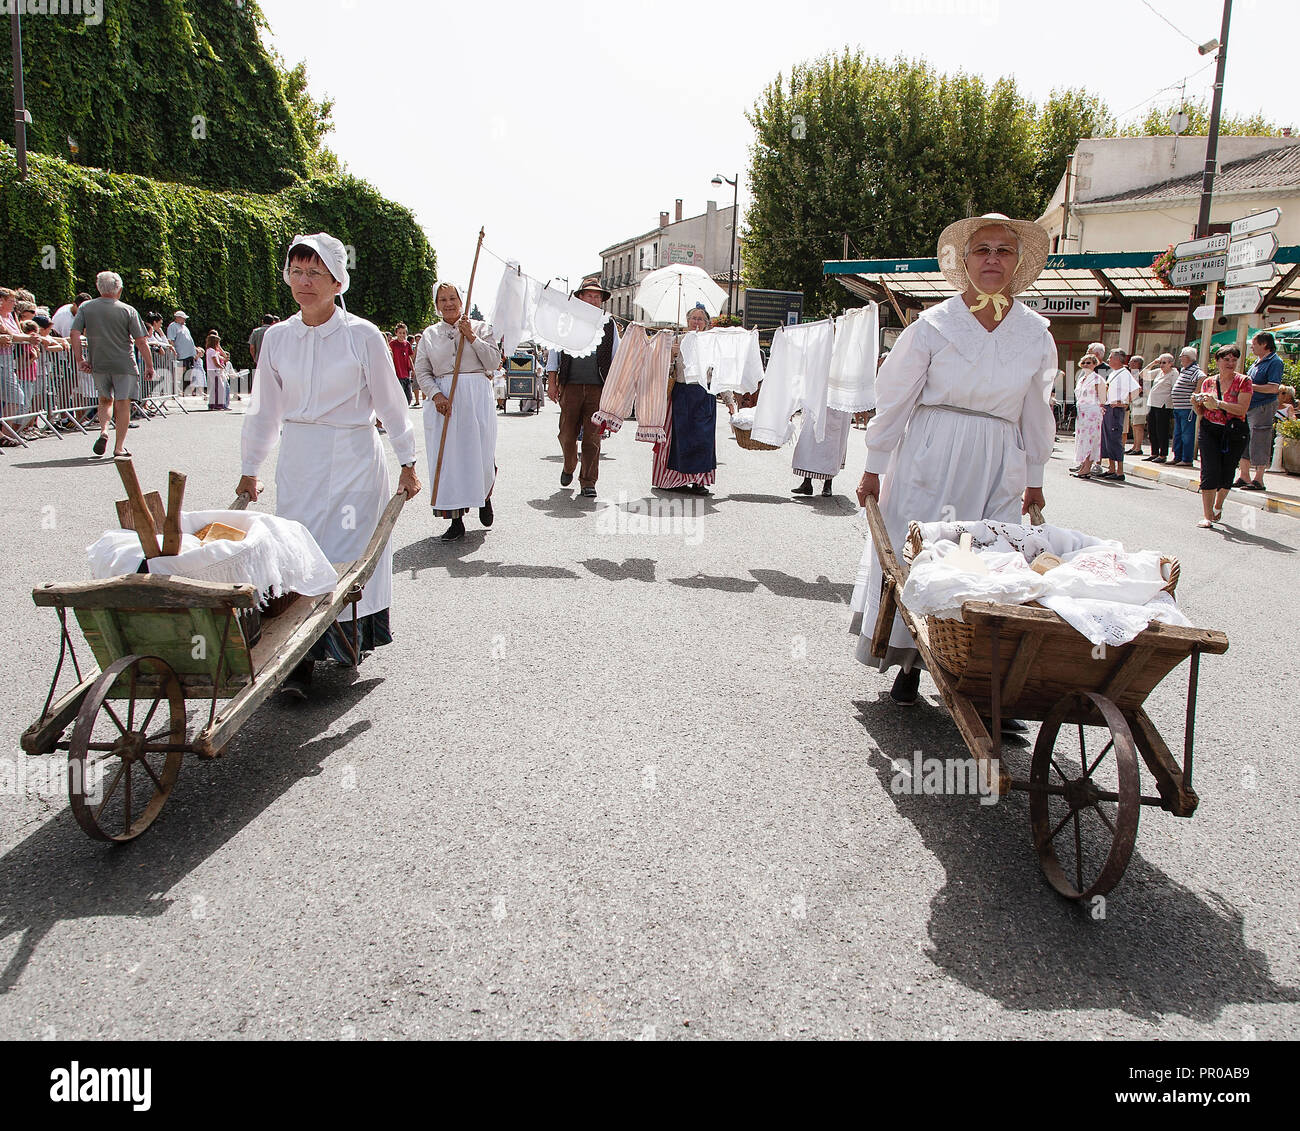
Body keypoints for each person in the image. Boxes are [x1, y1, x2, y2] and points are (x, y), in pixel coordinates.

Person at [851, 212, 1055, 705]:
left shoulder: (1035, 333)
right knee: (919, 551)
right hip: (932, 451)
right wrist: (874, 464)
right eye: (982, 250)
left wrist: (1035, 476)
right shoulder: (933, 325)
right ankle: (910, 662)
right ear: (964, 262)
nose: (992, 259)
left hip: (998, 456)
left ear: (1018, 261)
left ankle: (975, 674)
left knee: (986, 560)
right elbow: (896, 397)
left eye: (1003, 250)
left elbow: (1036, 410)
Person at [236, 232, 420, 699]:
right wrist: (250, 467)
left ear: (338, 281)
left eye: (315, 272)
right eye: (297, 271)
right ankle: (296, 657)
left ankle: (333, 647)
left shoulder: (362, 336)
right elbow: (264, 411)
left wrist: (408, 461)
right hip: (300, 459)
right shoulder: (278, 338)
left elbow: (391, 403)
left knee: (345, 553)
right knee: (297, 550)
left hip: (355, 458)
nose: (304, 281)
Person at [414, 281, 502, 541]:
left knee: (480, 453)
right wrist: (436, 394)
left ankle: (483, 497)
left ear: (461, 300)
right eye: (443, 300)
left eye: (453, 298)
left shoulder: (481, 328)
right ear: (436, 305)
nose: (449, 303)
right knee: (450, 460)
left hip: (476, 398)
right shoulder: (429, 335)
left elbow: (494, 362)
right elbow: (422, 371)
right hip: (446, 402)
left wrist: (472, 337)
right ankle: (456, 520)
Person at [545, 278, 620, 497]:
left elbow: (617, 356)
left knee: (593, 437)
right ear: (580, 297)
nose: (595, 300)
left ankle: (588, 481)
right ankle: (569, 464)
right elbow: (554, 353)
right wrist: (552, 383)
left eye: (598, 296)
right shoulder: (566, 320)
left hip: (599, 388)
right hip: (571, 385)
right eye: (590, 295)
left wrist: (615, 388)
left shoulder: (609, 323)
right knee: (566, 434)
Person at [69, 271, 154, 459]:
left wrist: (80, 359)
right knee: (123, 403)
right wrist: (149, 365)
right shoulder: (128, 310)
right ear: (119, 289)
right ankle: (119, 447)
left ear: (99, 287)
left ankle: (104, 430)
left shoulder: (85, 308)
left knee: (105, 399)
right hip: (124, 362)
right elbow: (141, 340)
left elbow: (74, 333)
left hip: (99, 361)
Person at [656, 303, 722, 495]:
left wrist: (729, 402)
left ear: (707, 323)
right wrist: (671, 356)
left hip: (704, 394)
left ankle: (700, 482)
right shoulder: (676, 341)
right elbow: (666, 372)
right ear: (687, 321)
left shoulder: (712, 343)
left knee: (703, 439)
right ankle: (678, 480)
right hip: (682, 393)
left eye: (700, 319)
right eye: (693, 318)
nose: (696, 322)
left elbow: (719, 373)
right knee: (680, 438)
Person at [1192, 344, 1252, 528]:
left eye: (1234, 360)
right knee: (1209, 470)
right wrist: (1195, 402)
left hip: (1234, 430)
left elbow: (1242, 408)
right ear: (1217, 361)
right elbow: (1201, 411)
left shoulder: (1244, 381)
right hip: (1210, 429)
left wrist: (1218, 403)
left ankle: (1218, 505)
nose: (1231, 363)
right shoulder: (1208, 382)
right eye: (1226, 359)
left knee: (1227, 471)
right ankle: (1207, 515)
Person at [1236, 331, 1284, 491]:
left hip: (1263, 406)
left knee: (1259, 440)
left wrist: (1249, 385)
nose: (1251, 347)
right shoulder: (1257, 361)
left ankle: (1258, 479)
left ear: (1264, 344)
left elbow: (1273, 388)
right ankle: (1244, 475)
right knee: (1245, 439)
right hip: (1248, 405)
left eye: (1254, 344)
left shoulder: (1275, 362)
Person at [1097, 347, 1135, 481]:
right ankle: (1111, 468)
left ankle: (1120, 471)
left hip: (1115, 410)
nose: (1108, 359)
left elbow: (1136, 389)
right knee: (1106, 438)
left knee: (1114, 438)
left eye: (1111, 357)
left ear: (1118, 359)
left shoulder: (1125, 373)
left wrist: (1124, 403)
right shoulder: (1114, 373)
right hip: (1108, 407)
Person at [1070, 353, 1105, 479]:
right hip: (1082, 412)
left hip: (1092, 412)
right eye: (1084, 362)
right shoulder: (1081, 379)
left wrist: (1101, 407)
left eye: (1089, 363)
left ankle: (1086, 468)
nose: (1085, 365)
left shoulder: (1097, 379)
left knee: (1091, 439)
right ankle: (1083, 465)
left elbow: (1102, 397)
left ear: (1095, 364)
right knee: (1082, 439)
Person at [1170, 346, 1201, 467]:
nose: (1180, 358)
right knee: (1177, 433)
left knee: (1187, 434)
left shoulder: (1194, 369)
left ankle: (1187, 458)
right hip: (1178, 407)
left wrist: (1196, 394)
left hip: (1187, 408)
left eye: (1181, 356)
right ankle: (1177, 456)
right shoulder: (1184, 369)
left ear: (1188, 357)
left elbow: (1202, 377)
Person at [1142, 353, 1176, 463]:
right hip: (1153, 403)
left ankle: (1163, 454)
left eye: (1164, 363)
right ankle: (1154, 452)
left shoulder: (1173, 373)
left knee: (1161, 430)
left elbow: (1174, 389)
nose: (1161, 365)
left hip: (1163, 405)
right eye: (1160, 362)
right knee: (1152, 430)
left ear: (1171, 364)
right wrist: (1153, 363)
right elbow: (1143, 374)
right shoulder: (1159, 372)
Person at [166, 310, 197, 391]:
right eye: (183, 318)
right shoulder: (173, 326)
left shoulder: (184, 327)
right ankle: (176, 389)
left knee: (188, 372)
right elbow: (171, 340)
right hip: (181, 354)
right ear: (178, 318)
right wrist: (174, 351)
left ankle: (184, 389)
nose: (184, 320)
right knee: (179, 372)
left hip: (189, 354)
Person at [247, 314, 277, 396]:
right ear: (273, 322)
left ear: (262, 321)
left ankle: (259, 395)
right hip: (273, 358)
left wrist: (254, 357)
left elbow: (252, 347)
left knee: (260, 378)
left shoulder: (256, 331)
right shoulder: (275, 331)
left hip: (259, 358)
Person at [1125, 354, 1147, 455]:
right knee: (1134, 424)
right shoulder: (1131, 374)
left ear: (1137, 363)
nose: (1129, 363)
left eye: (1132, 361)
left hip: (1140, 400)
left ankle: (1138, 447)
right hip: (1134, 400)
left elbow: (1139, 389)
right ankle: (1134, 446)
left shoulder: (1141, 374)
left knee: (1138, 425)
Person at [388, 322, 415, 405]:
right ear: (396, 333)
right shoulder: (392, 344)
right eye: (400, 333)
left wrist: (413, 369)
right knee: (399, 396)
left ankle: (405, 411)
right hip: (397, 373)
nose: (402, 335)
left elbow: (409, 357)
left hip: (406, 373)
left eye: (404, 333)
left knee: (408, 397)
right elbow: (389, 356)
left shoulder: (407, 344)